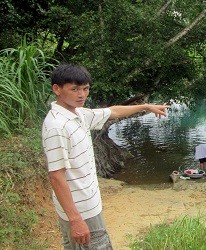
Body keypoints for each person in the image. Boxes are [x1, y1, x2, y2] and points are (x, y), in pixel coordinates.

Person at [42, 63, 168, 249]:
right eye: (75, 89)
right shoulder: (57, 127)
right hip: (82, 210)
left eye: (85, 89)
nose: (82, 95)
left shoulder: (78, 114)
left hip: (85, 205)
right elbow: (56, 176)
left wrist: (146, 107)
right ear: (57, 89)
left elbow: (113, 111)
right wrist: (76, 220)